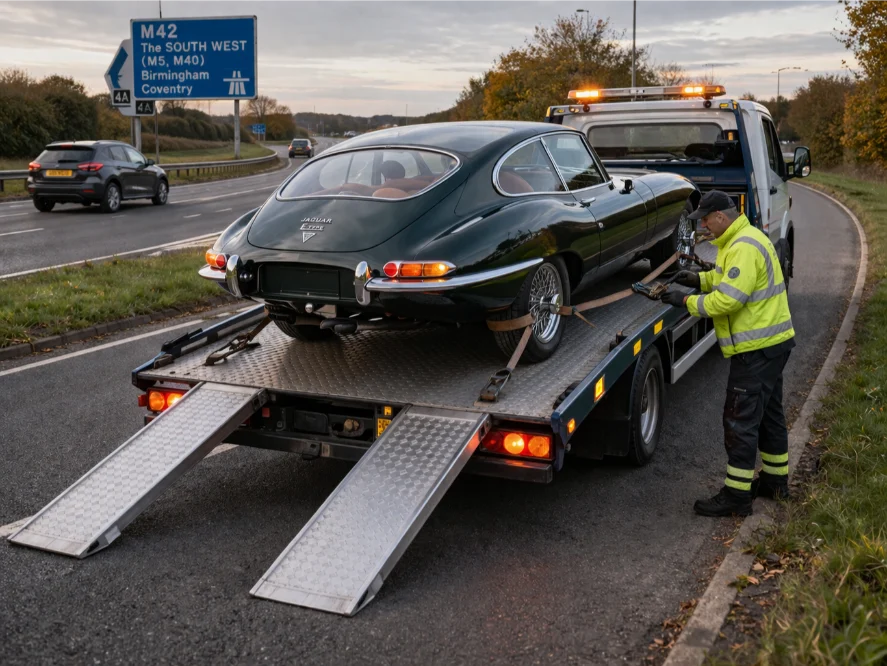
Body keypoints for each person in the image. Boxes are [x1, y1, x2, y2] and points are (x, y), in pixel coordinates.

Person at [661, 190, 795, 517]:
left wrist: (684, 301)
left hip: (756, 351)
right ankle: (776, 484)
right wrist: (698, 278)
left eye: (706, 219)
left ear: (721, 216)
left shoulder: (743, 247)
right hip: (772, 346)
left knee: (740, 422)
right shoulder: (742, 240)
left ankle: (737, 497)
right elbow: (726, 282)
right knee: (769, 416)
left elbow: (728, 301)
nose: (704, 225)